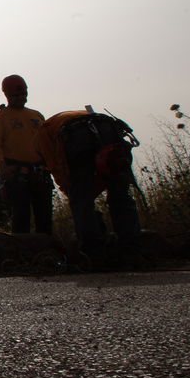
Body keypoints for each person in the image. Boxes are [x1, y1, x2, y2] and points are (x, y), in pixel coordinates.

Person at [36, 108, 142, 264]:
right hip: (107, 128)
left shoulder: (41, 136)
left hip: (76, 135)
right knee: (120, 192)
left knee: (81, 200)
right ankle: (132, 250)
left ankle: (93, 254)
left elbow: (58, 168)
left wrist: (72, 192)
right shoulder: (69, 116)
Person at [0, 74, 53, 234]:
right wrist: (3, 167)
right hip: (17, 175)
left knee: (45, 219)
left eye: (23, 94)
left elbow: (47, 142)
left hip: (40, 173)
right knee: (21, 219)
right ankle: (20, 249)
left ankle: (45, 248)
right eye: (16, 95)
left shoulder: (36, 116)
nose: (21, 98)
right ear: (7, 95)